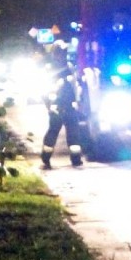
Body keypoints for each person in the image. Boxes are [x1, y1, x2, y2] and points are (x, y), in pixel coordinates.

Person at [40, 40, 84, 169]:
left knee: (74, 134)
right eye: (59, 52)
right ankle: (46, 157)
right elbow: (44, 90)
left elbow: (75, 86)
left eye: (63, 53)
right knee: (52, 133)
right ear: (55, 53)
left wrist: (78, 101)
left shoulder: (70, 67)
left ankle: (76, 159)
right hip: (57, 107)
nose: (62, 55)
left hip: (70, 106)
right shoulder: (50, 69)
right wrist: (49, 105)